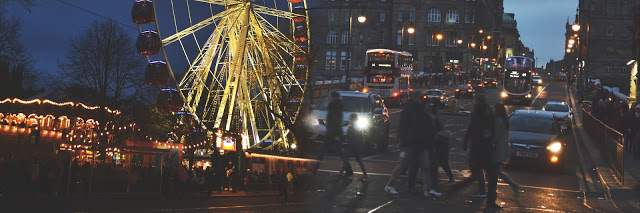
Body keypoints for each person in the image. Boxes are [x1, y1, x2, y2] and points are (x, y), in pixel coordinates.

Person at [449, 94, 500, 209]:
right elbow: (491, 130)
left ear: (477, 101)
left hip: (477, 149)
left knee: (475, 175)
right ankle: (490, 201)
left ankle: (455, 189)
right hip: (487, 149)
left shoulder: (476, 113)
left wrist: (466, 142)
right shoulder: (489, 113)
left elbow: (471, 129)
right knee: (491, 177)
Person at [396, 91, 440, 196]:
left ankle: (427, 188)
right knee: (414, 166)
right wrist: (403, 140)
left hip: (420, 142)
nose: (421, 99)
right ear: (415, 98)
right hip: (413, 142)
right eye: (420, 97)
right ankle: (413, 187)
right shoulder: (410, 110)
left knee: (423, 166)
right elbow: (403, 126)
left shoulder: (419, 109)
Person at [493, 102, 522, 193]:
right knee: (496, 171)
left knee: (495, 171)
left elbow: (496, 135)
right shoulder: (504, 120)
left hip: (499, 149)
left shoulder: (499, 121)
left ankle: (513, 185)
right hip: (503, 148)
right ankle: (512, 185)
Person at [323, 91, 352, 177]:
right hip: (334, 131)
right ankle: (348, 170)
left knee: (336, 151)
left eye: (330, 96)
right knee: (340, 152)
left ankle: (348, 170)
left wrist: (334, 133)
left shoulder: (334, 106)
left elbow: (334, 120)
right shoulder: (337, 105)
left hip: (333, 132)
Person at [344, 113, 368, 181]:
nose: (349, 120)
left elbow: (351, 136)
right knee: (358, 159)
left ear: (353, 119)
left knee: (345, 158)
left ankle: (342, 173)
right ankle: (365, 174)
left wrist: (345, 138)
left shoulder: (353, 126)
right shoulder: (358, 126)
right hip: (357, 145)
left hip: (353, 145)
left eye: (350, 118)